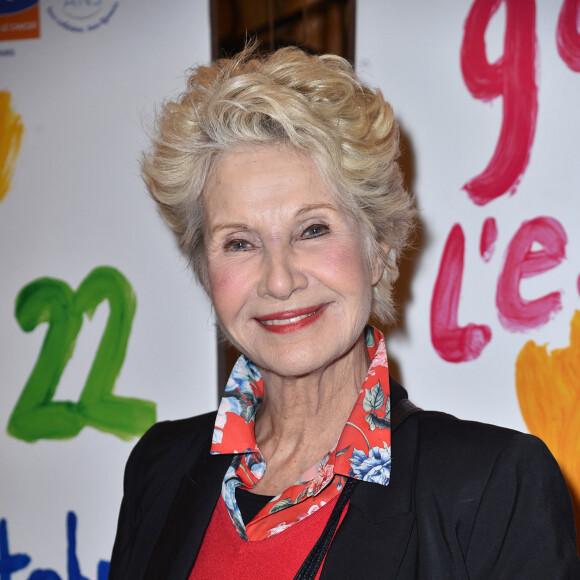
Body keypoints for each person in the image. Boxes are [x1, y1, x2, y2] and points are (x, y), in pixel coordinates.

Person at [109, 45, 580, 579]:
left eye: (313, 230)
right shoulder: (158, 467)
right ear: (205, 268)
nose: (280, 279)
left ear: (377, 248)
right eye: (239, 243)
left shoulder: (494, 485)